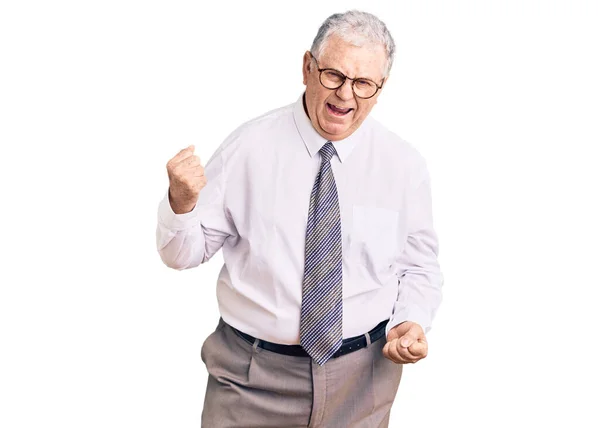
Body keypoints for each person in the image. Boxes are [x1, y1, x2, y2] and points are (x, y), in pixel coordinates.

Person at [156, 10, 443, 428]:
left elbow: (419, 266)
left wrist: (411, 320)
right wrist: (181, 203)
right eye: (333, 75)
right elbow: (180, 254)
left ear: (379, 89)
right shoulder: (248, 149)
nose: (345, 94)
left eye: (363, 83)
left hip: (364, 379)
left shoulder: (403, 166)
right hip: (251, 376)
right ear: (307, 67)